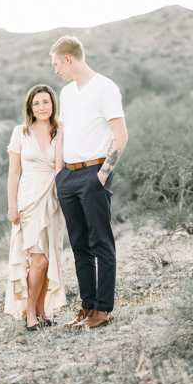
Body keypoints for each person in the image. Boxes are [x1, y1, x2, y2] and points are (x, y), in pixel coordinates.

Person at [51, 36, 128, 330]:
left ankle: (103, 310)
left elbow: (121, 136)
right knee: (80, 246)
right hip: (68, 176)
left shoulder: (105, 88)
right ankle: (87, 307)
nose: (55, 70)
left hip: (94, 173)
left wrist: (102, 174)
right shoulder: (67, 93)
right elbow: (64, 133)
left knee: (100, 242)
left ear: (68, 59)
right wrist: (60, 175)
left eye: (57, 64)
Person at [4, 84, 67, 331]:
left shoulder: (61, 131)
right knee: (38, 260)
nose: (42, 107)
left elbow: (63, 168)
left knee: (49, 259)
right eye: (36, 103)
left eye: (46, 102)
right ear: (30, 107)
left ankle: (42, 310)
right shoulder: (21, 132)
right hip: (28, 200)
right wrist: (12, 205)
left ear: (53, 105)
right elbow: (13, 173)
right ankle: (30, 313)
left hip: (53, 199)